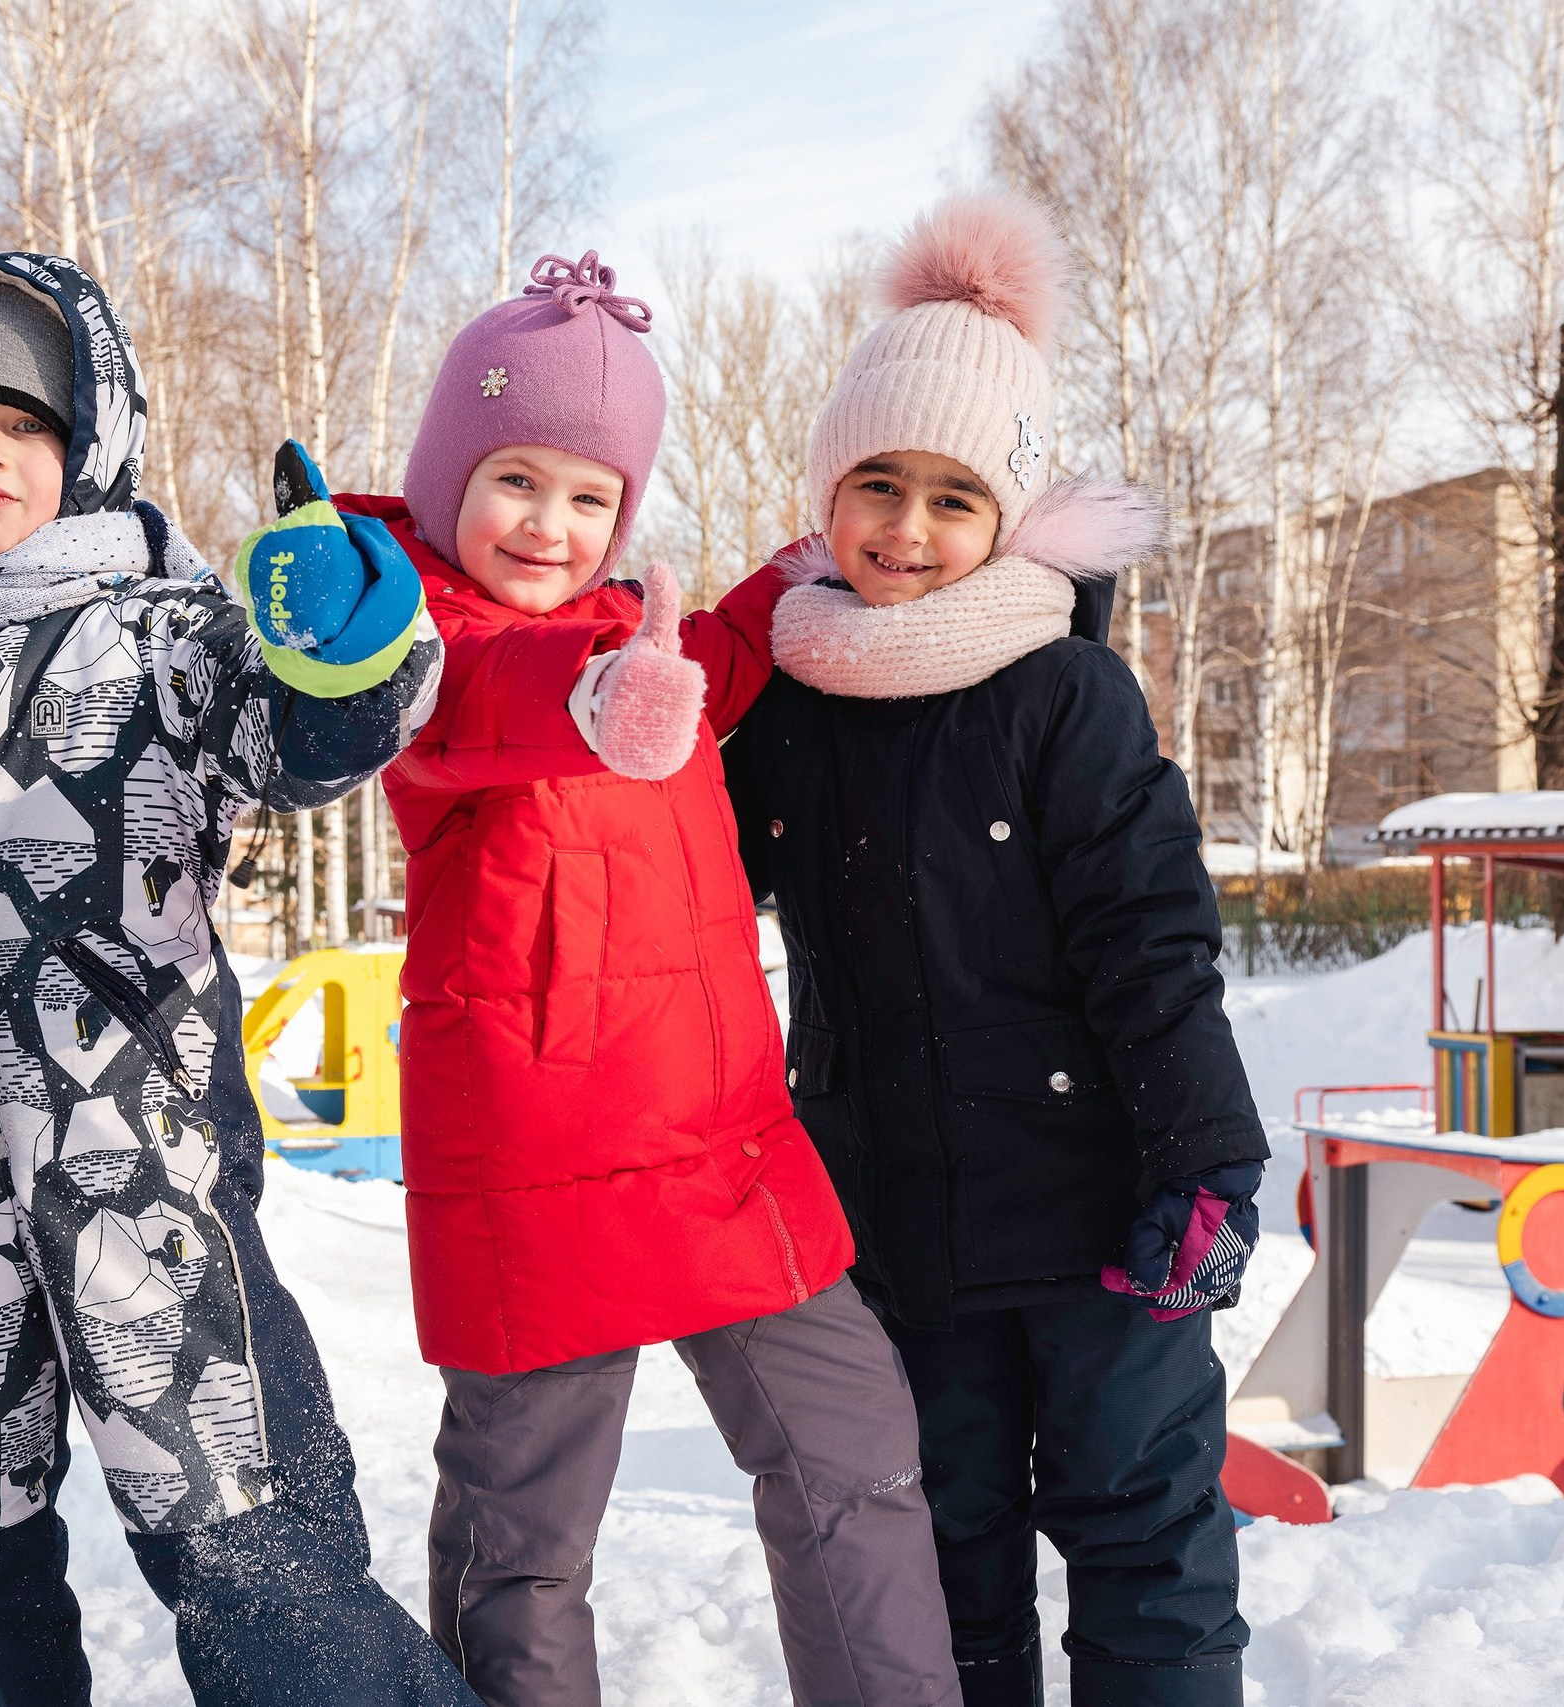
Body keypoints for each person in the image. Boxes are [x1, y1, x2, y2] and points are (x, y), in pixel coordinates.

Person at [0, 249, 477, 1707]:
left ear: (91, 443)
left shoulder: (163, 632)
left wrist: (347, 643)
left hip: (145, 1179)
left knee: (246, 1544)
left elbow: (304, 739)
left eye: (22, 425)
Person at [333, 252, 962, 1707]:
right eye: (517, 481)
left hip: (719, 1141)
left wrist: (805, 565)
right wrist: (597, 698)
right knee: (527, 1542)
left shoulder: (638, 639)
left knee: (855, 1460)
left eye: (591, 496)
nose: (552, 526)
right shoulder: (410, 648)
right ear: (448, 478)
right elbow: (493, 710)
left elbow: (719, 663)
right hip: (538, 1162)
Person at [722, 193, 1268, 1707]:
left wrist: (1205, 1165)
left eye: (953, 496)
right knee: (948, 1552)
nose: (907, 529)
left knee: (1142, 1535)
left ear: (1011, 518)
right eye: (876, 485)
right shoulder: (793, 697)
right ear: (828, 498)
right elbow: (696, 880)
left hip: (1108, 1223)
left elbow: (1154, 944)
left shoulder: (1063, 692)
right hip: (899, 1228)